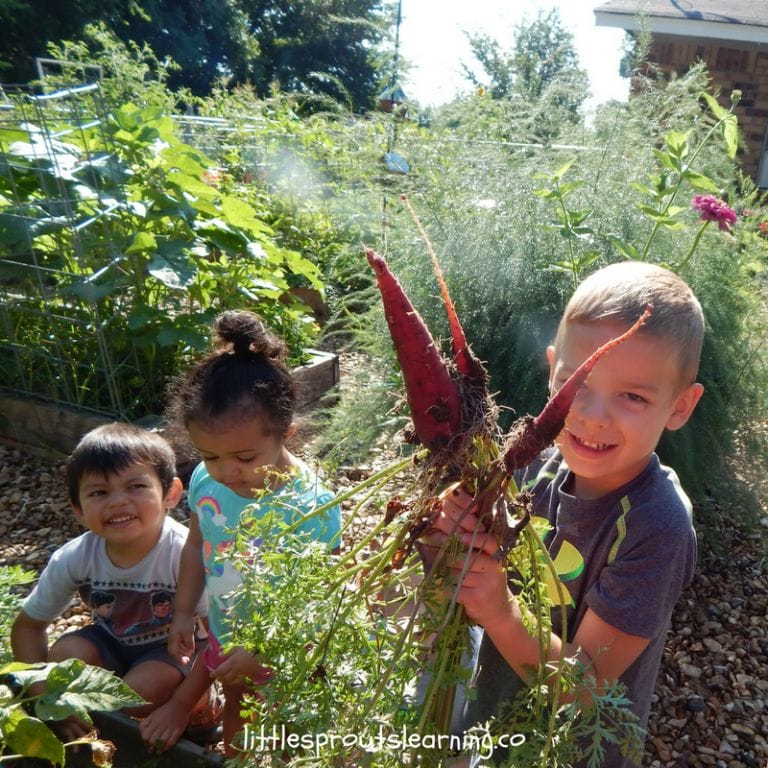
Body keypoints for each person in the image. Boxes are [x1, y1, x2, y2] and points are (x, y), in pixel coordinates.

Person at [431, 261, 704, 767]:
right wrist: (457, 525)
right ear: (553, 367)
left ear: (680, 407)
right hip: (494, 725)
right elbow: (477, 554)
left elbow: (584, 688)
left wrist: (497, 609)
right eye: (576, 383)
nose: (591, 416)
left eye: (632, 396)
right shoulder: (531, 464)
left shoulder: (658, 526)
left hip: (573, 752)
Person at [139, 309, 342, 756]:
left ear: (285, 434)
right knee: (239, 724)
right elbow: (197, 545)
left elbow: (324, 597)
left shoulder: (313, 505)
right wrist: (182, 612)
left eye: (247, 458)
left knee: (293, 731)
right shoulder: (207, 483)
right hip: (228, 636)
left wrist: (267, 651)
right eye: (210, 456)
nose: (227, 472)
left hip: (291, 649)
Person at [10, 422, 209, 742]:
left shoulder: (183, 553)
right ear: (78, 509)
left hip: (172, 651)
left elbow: (218, 637)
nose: (117, 502)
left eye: (135, 487)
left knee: (136, 695)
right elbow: (28, 627)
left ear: (170, 493)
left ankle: (200, 711)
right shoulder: (75, 556)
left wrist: (182, 705)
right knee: (64, 658)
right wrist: (48, 700)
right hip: (110, 641)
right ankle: (99, 728)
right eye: (99, 492)